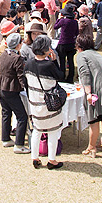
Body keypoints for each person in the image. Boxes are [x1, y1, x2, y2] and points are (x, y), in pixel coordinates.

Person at [76, 33, 102, 156]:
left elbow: (85, 74)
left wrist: (88, 92)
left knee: (94, 119)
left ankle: (92, 146)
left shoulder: (81, 56)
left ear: (79, 46)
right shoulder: (97, 54)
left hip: (97, 89)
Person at [25, 35, 64, 169]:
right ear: (46, 49)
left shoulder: (29, 63)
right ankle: (51, 160)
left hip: (35, 103)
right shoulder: (48, 65)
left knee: (37, 130)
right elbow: (60, 76)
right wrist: (54, 61)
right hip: (49, 104)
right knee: (52, 132)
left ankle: (34, 157)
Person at [0, 33, 30, 154]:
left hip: (0, 87)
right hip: (11, 90)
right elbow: (21, 76)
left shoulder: (4, 54)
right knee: (22, 116)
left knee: (6, 113)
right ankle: (19, 145)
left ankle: (6, 138)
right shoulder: (17, 58)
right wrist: (26, 87)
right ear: (18, 45)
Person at [54, 5, 79, 82]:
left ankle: (62, 76)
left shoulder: (63, 21)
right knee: (71, 61)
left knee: (62, 61)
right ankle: (70, 77)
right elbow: (77, 33)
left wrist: (58, 19)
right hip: (71, 43)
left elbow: (55, 27)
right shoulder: (75, 22)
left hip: (63, 43)